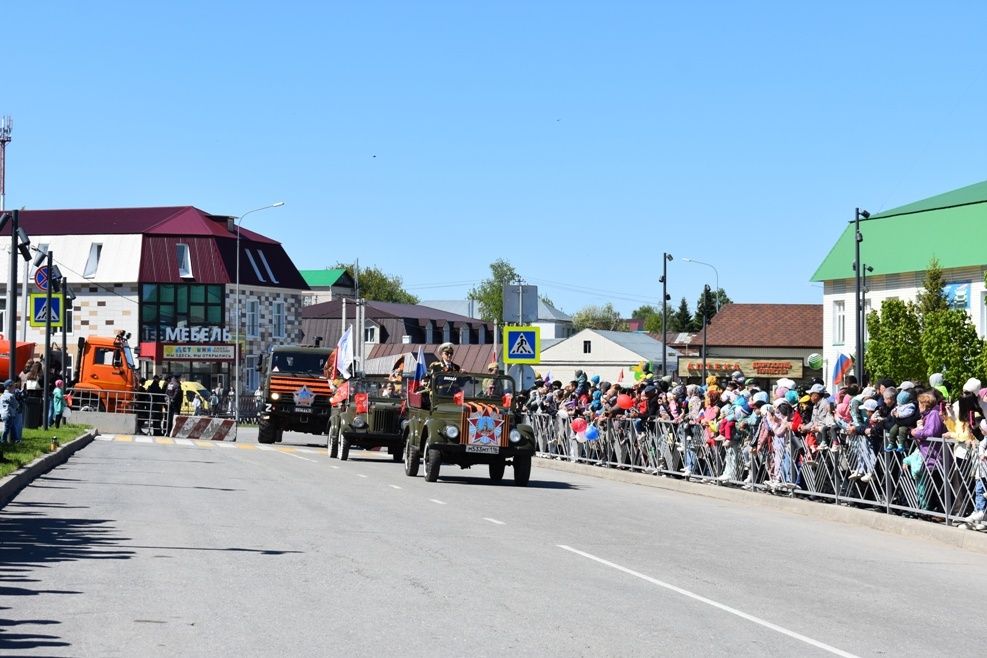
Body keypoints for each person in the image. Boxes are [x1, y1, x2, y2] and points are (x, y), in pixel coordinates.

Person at [1, 379, 21, 444]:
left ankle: (16, 439)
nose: (14, 388)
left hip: (3, 414)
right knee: (7, 429)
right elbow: (16, 405)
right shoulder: (10, 396)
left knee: (12, 427)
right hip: (9, 414)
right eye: (13, 386)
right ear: (8, 387)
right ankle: (2, 440)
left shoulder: (2, 396)